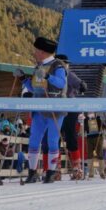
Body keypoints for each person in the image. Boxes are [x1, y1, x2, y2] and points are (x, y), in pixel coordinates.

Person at [16, 37, 68, 183]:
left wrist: (47, 76)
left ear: (43, 51)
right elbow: (35, 88)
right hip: (39, 108)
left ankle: (51, 172)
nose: (34, 52)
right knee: (34, 140)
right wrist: (23, 79)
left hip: (55, 108)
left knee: (52, 141)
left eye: (36, 50)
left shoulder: (58, 65)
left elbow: (60, 83)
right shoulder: (38, 66)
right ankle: (32, 172)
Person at [55, 54, 86, 179]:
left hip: (70, 108)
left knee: (70, 135)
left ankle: (76, 167)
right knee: (55, 137)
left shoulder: (69, 74)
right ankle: (55, 168)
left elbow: (80, 84)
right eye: (63, 63)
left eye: (66, 63)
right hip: (56, 107)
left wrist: (82, 85)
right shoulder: (53, 74)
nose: (65, 65)